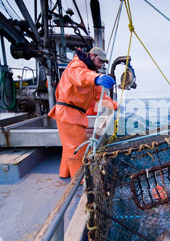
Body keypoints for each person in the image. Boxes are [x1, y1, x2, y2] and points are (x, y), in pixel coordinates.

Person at [48, 46, 118, 179]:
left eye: (103, 63)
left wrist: (116, 106)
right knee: (78, 150)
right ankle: (80, 184)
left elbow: (100, 97)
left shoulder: (91, 75)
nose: (101, 64)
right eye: (100, 61)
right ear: (92, 56)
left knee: (69, 147)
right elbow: (80, 76)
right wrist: (97, 78)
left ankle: (65, 174)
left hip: (73, 114)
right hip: (68, 113)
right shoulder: (77, 65)